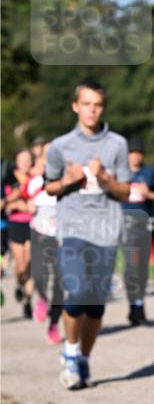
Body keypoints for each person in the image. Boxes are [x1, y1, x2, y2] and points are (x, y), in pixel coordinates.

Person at [45, 80, 131, 389]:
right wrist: (68, 179)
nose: (91, 110)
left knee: (95, 307)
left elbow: (125, 191)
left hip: (106, 231)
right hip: (73, 229)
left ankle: (83, 358)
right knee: (76, 291)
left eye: (97, 105)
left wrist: (106, 178)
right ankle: (69, 352)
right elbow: (49, 186)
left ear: (103, 108)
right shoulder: (60, 146)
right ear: (75, 106)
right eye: (86, 104)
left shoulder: (117, 145)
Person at [121, 136, 154, 326]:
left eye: (138, 153)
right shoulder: (120, 173)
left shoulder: (150, 173)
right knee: (130, 266)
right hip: (125, 224)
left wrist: (150, 194)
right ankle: (132, 304)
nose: (135, 157)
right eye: (132, 153)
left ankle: (140, 302)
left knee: (141, 266)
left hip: (145, 225)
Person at [27, 144, 65, 343]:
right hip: (40, 233)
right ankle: (41, 298)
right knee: (40, 276)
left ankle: (53, 325)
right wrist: (29, 204)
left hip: (61, 238)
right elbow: (27, 202)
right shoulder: (35, 182)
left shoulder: (68, 183)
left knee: (60, 283)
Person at [3, 148, 39, 318]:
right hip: (16, 224)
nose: (25, 163)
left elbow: (38, 203)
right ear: (16, 162)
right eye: (21, 160)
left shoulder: (36, 179)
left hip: (34, 224)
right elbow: (7, 206)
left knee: (31, 263)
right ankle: (19, 284)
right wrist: (22, 205)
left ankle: (28, 301)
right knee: (21, 265)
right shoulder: (9, 180)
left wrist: (21, 204)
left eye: (27, 159)